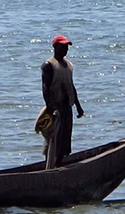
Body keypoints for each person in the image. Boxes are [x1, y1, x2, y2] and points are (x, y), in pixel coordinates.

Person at [40, 35, 84, 167]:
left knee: (65, 141)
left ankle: (58, 164)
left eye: (66, 47)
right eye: (62, 46)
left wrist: (78, 105)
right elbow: (45, 88)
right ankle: (49, 166)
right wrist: (49, 107)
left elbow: (71, 85)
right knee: (53, 140)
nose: (65, 49)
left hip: (67, 108)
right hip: (55, 109)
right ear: (55, 47)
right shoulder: (49, 65)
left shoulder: (68, 65)